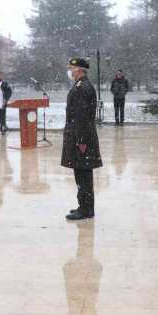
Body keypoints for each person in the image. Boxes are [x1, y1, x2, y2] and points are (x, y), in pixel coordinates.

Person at [62, 58, 103, 221]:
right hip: (80, 135)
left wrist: (81, 140)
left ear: (79, 70)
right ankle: (84, 206)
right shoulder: (80, 85)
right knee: (81, 173)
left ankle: (86, 210)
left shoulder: (83, 87)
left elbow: (82, 116)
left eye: (72, 68)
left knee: (83, 174)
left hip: (82, 138)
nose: (70, 71)